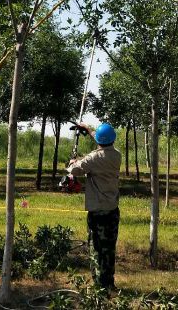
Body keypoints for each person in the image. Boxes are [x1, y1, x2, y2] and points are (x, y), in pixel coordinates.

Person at [67, 122, 121, 292]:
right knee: (109, 248)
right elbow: (103, 143)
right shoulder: (116, 155)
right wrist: (89, 131)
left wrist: (73, 162)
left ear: (99, 140)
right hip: (112, 210)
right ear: (113, 139)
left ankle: (99, 287)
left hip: (98, 212)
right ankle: (109, 283)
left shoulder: (93, 158)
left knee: (96, 249)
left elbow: (74, 170)